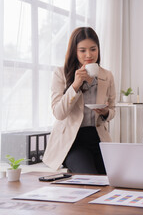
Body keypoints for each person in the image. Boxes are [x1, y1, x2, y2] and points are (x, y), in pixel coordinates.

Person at [43, 27, 116, 174]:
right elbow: (59, 113)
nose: (88, 55)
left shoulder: (107, 76)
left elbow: (113, 109)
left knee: (111, 178)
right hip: (72, 142)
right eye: (82, 50)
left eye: (93, 49)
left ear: (98, 49)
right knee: (90, 178)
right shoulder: (61, 74)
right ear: (74, 51)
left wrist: (106, 112)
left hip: (98, 139)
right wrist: (75, 85)